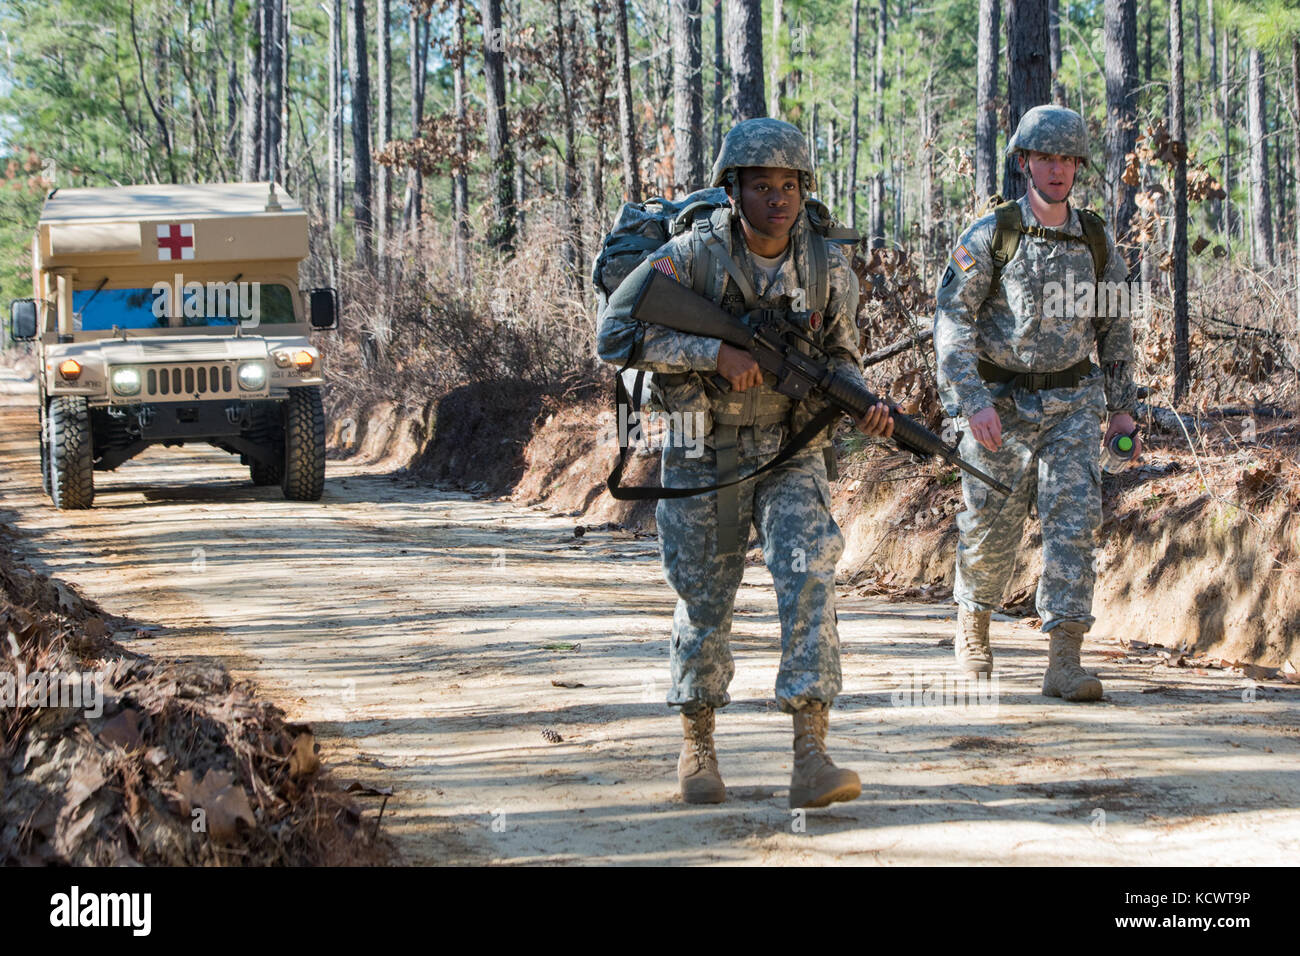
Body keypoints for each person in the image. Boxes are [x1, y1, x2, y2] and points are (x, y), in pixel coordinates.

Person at [596, 118, 894, 807]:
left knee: (809, 573)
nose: (778, 199)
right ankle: (698, 740)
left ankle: (810, 752)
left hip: (789, 447)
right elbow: (616, 332)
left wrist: (863, 403)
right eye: (762, 186)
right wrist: (713, 355)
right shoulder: (690, 256)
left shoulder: (826, 265)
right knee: (704, 599)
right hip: (701, 442)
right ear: (733, 190)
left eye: (789, 185)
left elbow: (843, 355)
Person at [933, 104, 1141, 701]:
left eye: (1067, 159)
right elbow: (952, 323)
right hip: (999, 404)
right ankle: (973, 626)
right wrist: (970, 401)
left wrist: (1122, 408)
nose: (1057, 170)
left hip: (1074, 403)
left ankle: (1065, 659)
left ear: (1078, 167)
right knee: (990, 526)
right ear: (1024, 162)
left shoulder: (1097, 239)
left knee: (1074, 524)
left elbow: (1116, 330)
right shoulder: (991, 235)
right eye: (1045, 158)